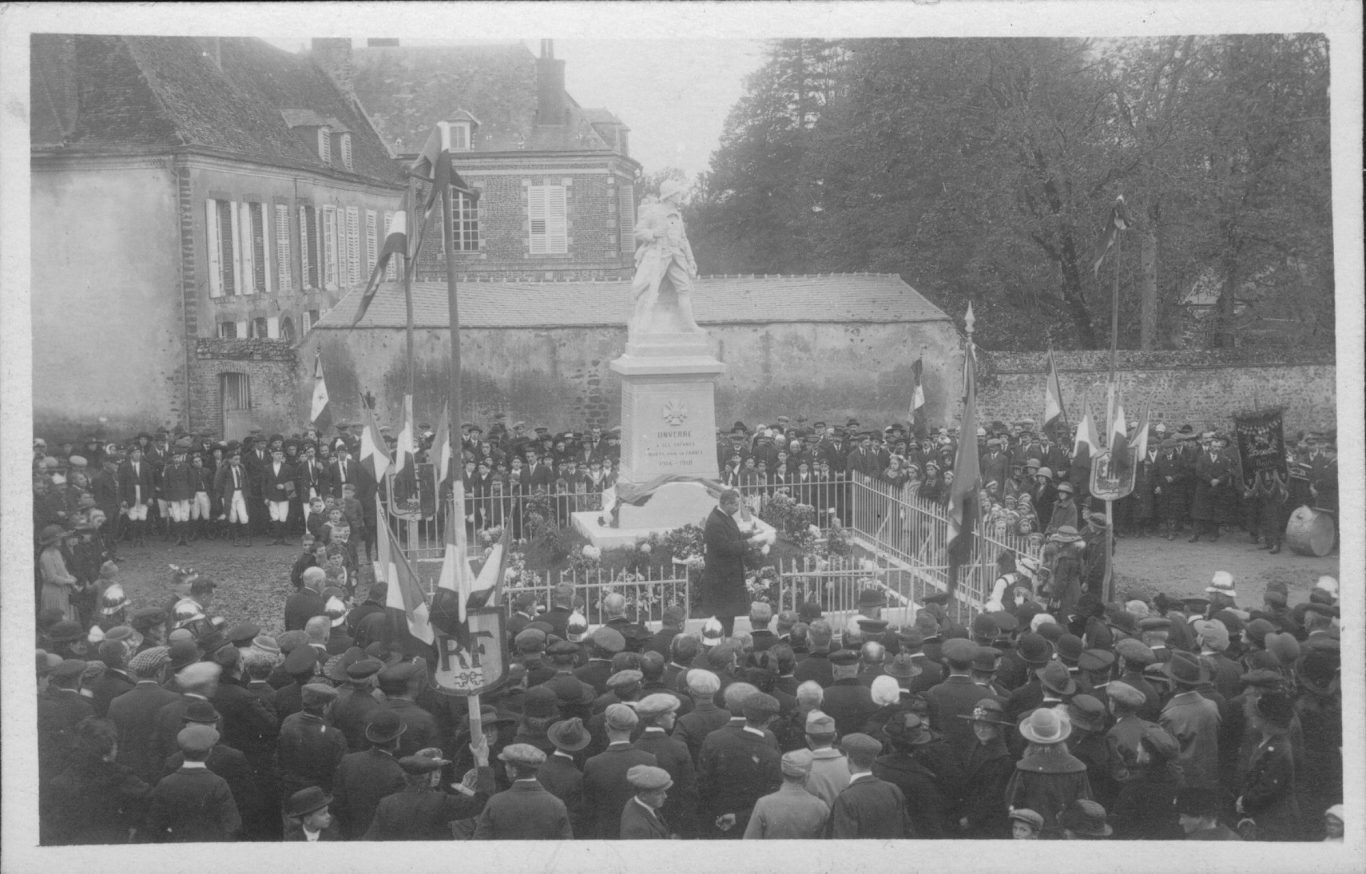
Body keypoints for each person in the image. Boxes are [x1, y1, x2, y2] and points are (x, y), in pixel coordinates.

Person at [365, 742, 494, 840]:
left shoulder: (387, 803)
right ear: (427, 776)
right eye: (434, 771)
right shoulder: (440, 801)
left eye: (439, 770)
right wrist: (483, 761)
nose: (437, 775)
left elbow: (371, 839)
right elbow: (482, 801)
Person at [142, 724, 241, 841]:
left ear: (182, 752)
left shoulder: (166, 783)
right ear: (209, 753)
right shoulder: (218, 783)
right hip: (210, 850)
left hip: (175, 850)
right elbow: (232, 825)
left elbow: (154, 824)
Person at [629, 178, 700, 339]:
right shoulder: (653, 212)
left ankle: (689, 325)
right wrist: (653, 234)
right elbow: (638, 231)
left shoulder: (678, 215)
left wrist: (691, 260)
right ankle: (641, 326)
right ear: (669, 196)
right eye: (677, 193)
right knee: (647, 289)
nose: (680, 196)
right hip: (657, 255)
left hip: (676, 257)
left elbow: (683, 239)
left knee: (685, 290)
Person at [1005, 707, 1092, 838]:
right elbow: (1086, 805)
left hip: (1032, 835)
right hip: (1066, 836)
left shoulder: (1024, 768)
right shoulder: (1077, 768)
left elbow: (1012, 803)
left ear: (1031, 738)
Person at [473, 744, 574, 839]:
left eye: (507, 765)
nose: (505, 768)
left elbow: (479, 845)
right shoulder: (556, 804)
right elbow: (567, 848)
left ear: (514, 771)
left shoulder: (495, 803)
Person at [830, 732, 910, 838]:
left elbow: (844, 844)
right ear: (875, 759)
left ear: (848, 759)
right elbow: (907, 832)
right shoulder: (893, 789)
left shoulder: (846, 798)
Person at [702, 489, 759, 637]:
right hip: (722, 581)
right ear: (725, 503)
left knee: (728, 618)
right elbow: (725, 547)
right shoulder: (716, 522)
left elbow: (733, 537)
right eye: (735, 504)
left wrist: (750, 536)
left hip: (727, 579)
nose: (737, 507)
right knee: (724, 620)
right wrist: (749, 543)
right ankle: (723, 646)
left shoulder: (724, 516)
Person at [743, 750, 830, 839]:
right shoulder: (820, 807)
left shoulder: (763, 804)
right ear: (806, 777)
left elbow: (750, 842)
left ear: (782, 774)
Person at [619, 764, 674, 839]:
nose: (665, 796)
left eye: (664, 792)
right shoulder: (637, 829)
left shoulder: (637, 803)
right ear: (643, 795)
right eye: (658, 793)